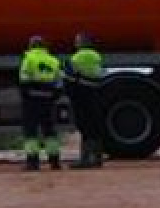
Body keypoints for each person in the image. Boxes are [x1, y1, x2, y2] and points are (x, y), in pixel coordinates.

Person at [15, 34, 65, 172]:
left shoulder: (28, 59)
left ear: (31, 46)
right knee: (49, 130)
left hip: (32, 101)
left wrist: (27, 94)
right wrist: (52, 95)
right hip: (48, 101)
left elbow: (23, 80)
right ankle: (55, 161)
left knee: (31, 131)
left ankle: (32, 162)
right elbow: (59, 83)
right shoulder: (53, 60)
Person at [65, 33, 108, 167]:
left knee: (85, 127)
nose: (75, 43)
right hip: (95, 94)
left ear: (82, 43)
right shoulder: (96, 56)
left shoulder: (76, 58)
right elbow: (101, 74)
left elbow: (69, 79)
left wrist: (70, 94)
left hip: (81, 95)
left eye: (77, 41)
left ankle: (86, 159)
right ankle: (97, 158)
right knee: (95, 126)